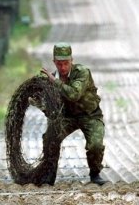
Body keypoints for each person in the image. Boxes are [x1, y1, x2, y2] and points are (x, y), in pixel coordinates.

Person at [39, 42, 107, 186]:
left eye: (66, 63)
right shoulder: (51, 78)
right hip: (67, 117)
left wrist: (54, 81)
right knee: (50, 138)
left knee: (95, 145)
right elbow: (47, 104)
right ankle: (49, 176)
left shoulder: (82, 72)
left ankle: (95, 174)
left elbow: (74, 94)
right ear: (54, 62)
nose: (63, 68)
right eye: (59, 64)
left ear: (72, 60)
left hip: (90, 115)